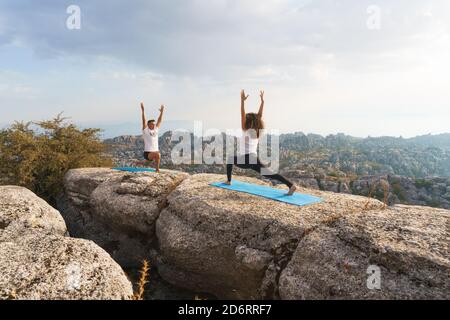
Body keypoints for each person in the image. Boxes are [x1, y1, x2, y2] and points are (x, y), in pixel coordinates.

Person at [225, 90, 297, 195]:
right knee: (269, 174)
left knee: (230, 159)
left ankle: (228, 181)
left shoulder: (246, 129)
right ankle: (291, 185)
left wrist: (242, 101)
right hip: (254, 158)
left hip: (246, 160)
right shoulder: (257, 131)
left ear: (247, 122)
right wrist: (262, 102)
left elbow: (242, 114)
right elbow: (259, 116)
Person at [141, 102, 164, 172]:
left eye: (154, 124)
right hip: (147, 153)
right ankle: (157, 170)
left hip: (154, 152)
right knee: (158, 155)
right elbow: (144, 121)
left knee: (157, 155)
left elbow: (159, 121)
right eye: (151, 124)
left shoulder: (156, 130)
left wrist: (161, 112)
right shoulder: (146, 130)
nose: (153, 125)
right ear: (148, 125)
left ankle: (141, 163)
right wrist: (143, 111)